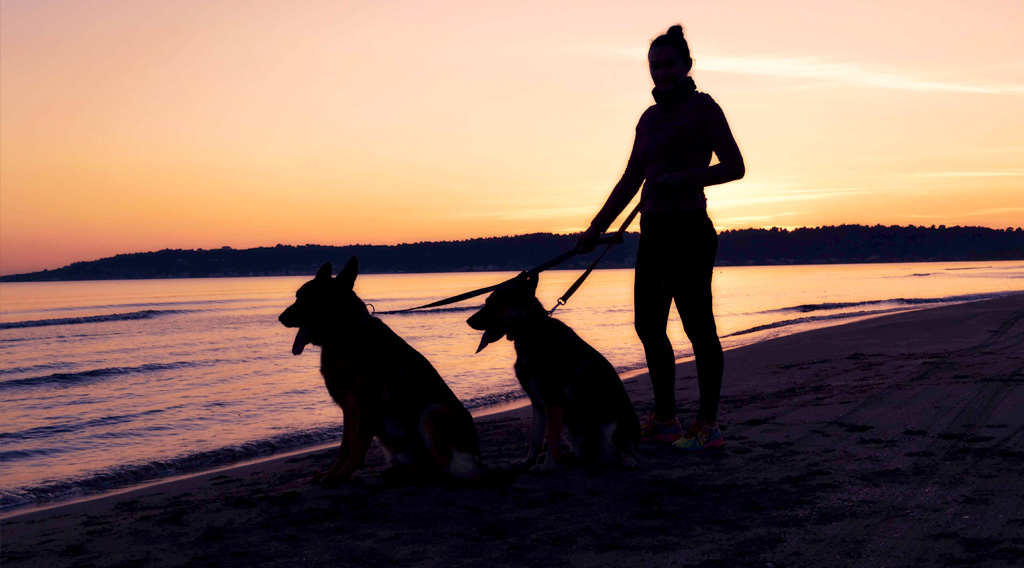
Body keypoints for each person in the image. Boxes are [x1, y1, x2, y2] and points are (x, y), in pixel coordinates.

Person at [576, 24, 744, 451]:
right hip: (652, 231)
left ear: (687, 65)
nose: (662, 73)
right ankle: (666, 418)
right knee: (648, 325)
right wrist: (596, 227)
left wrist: (684, 178)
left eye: (669, 64)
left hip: (689, 229)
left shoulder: (704, 108)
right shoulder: (648, 118)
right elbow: (631, 177)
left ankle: (708, 426)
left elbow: (735, 166)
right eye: (654, 67)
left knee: (697, 326)